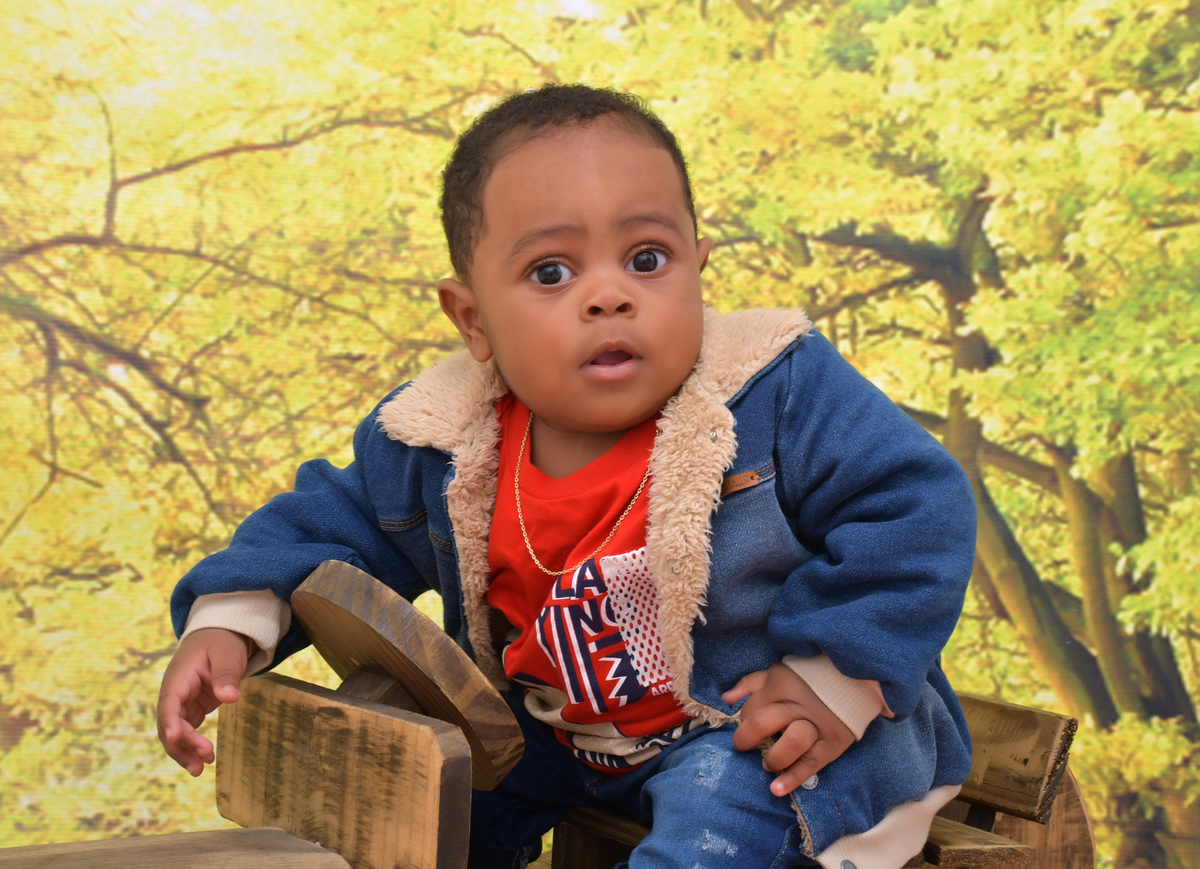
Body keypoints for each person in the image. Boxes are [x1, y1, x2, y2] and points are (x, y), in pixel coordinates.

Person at [157, 84, 976, 869]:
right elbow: (324, 525)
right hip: (555, 738)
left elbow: (916, 505)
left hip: (753, 728)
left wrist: (836, 673)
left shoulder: (774, 391)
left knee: (723, 817)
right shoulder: (439, 437)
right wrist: (230, 620)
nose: (609, 295)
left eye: (647, 258)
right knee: (418, 797)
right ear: (473, 318)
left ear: (698, 271)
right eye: (552, 272)